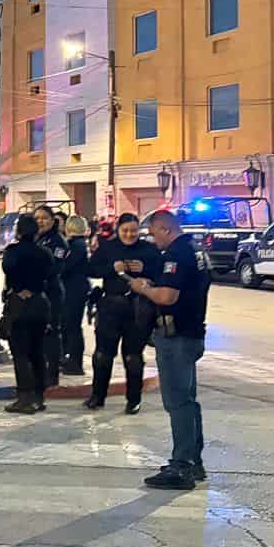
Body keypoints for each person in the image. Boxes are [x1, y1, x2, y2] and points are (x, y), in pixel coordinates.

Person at [130, 209, 212, 489]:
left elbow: (167, 296)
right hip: (191, 333)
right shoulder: (197, 250)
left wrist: (142, 288)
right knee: (188, 401)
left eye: (154, 234)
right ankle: (193, 461)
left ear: (165, 229)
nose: (154, 240)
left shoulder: (177, 254)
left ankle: (182, 466)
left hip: (177, 336)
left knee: (178, 402)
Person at [86, 212, 159, 413]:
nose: (129, 234)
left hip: (138, 309)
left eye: (133, 231)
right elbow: (91, 269)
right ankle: (97, 396)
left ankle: (133, 400)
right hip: (110, 306)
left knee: (133, 356)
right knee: (103, 355)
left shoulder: (149, 250)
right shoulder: (107, 247)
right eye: (125, 230)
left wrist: (145, 269)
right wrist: (112, 268)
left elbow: (161, 273)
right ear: (118, 230)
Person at [2, 213, 58, 414]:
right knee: (37, 351)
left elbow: (9, 270)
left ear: (18, 231)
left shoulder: (12, 252)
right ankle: (38, 396)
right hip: (39, 302)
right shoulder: (45, 253)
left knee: (20, 353)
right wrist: (34, 289)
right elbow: (51, 275)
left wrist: (20, 289)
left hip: (19, 303)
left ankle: (24, 397)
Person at [32, 204, 68, 387]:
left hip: (51, 292)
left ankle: (52, 374)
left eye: (44, 218)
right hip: (37, 292)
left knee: (51, 332)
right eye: (37, 218)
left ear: (53, 221)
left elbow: (55, 267)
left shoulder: (58, 241)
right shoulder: (35, 239)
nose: (40, 222)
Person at [59, 214, 92, 376]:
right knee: (70, 325)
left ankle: (75, 362)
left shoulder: (76, 245)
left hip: (74, 290)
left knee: (72, 326)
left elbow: (65, 266)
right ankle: (70, 359)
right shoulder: (79, 244)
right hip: (76, 289)